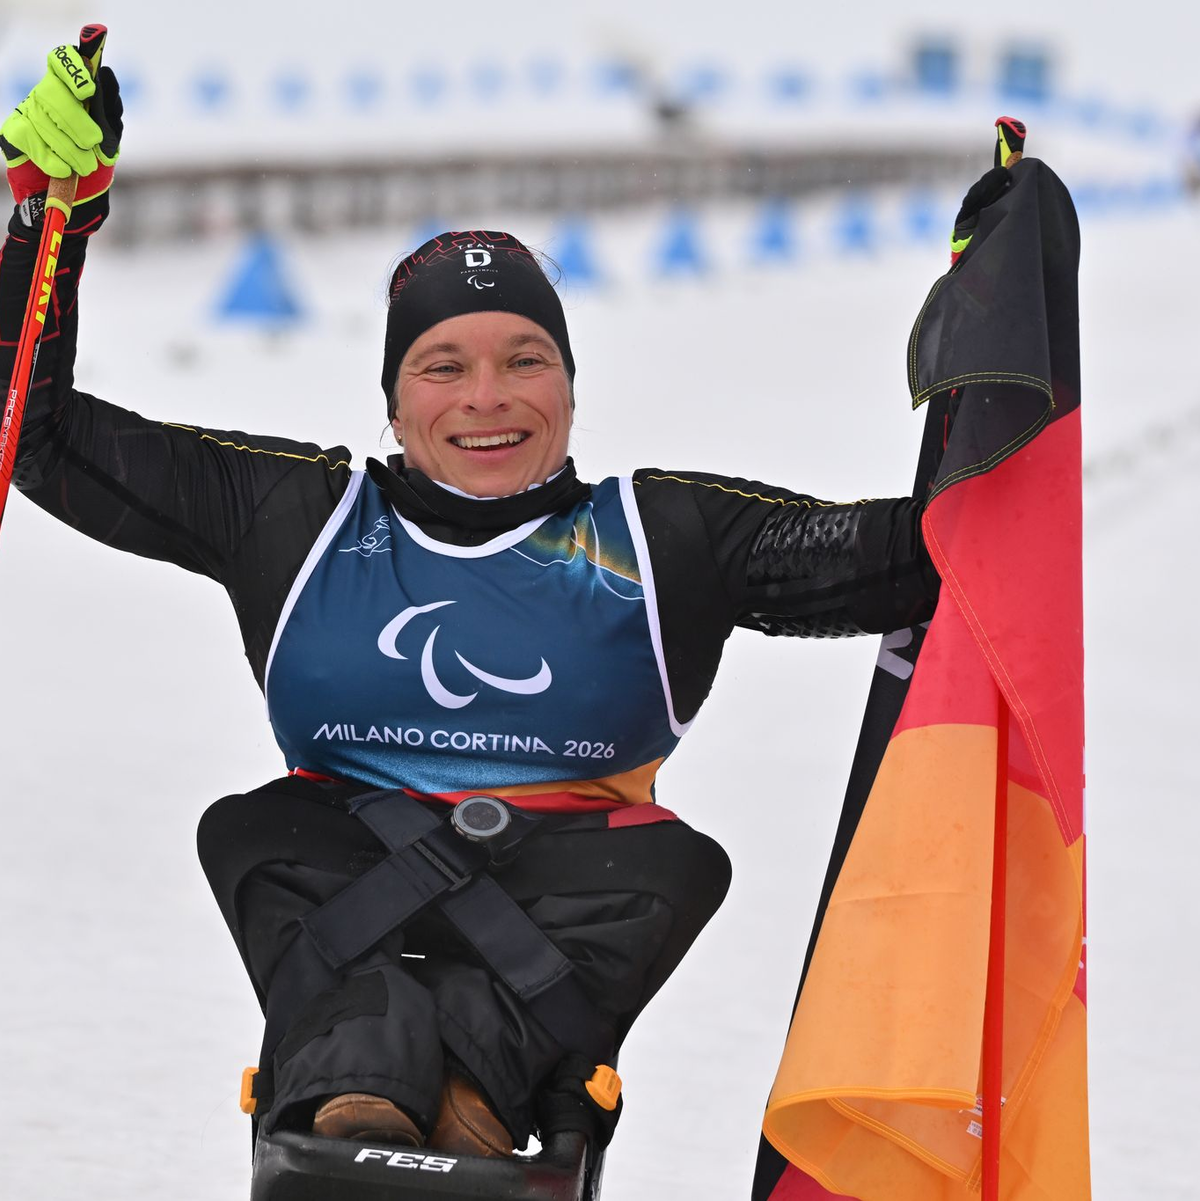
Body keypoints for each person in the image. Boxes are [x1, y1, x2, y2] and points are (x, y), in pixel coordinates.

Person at [0, 45, 940, 1163]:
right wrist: (44, 225)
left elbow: (929, 550)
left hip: (568, 910)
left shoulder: (663, 538)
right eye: (443, 366)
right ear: (393, 399)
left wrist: (994, 342)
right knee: (257, 832)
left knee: (669, 860)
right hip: (337, 888)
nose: (487, 399)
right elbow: (35, 429)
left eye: (524, 360)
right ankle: (375, 1101)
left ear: (572, 387)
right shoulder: (299, 517)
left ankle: (466, 1097)